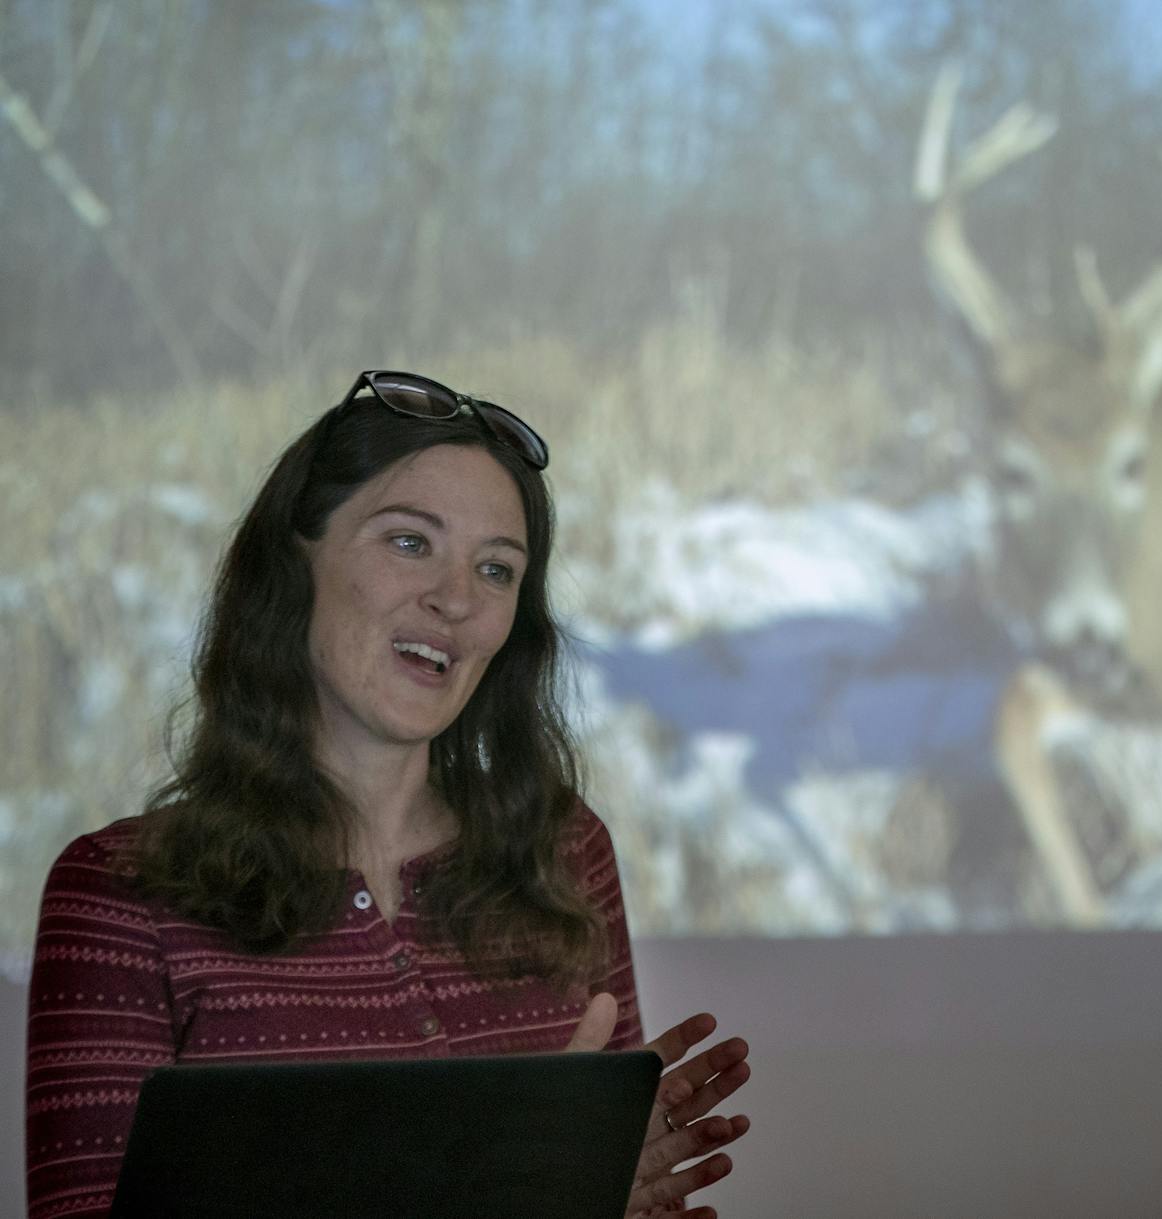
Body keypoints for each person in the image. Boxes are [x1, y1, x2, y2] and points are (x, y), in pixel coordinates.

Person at [25, 370, 750, 1218]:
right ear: (293, 561)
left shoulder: (562, 849)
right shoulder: (118, 893)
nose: (456, 598)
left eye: (497, 569)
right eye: (410, 542)